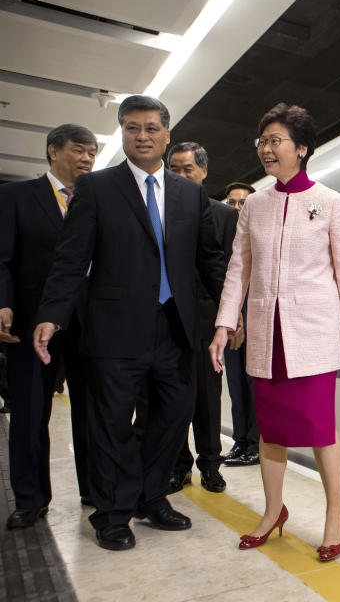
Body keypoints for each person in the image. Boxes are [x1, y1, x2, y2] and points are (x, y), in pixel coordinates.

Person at [32, 96, 225, 551]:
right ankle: (114, 513)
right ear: (121, 132)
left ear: (166, 134)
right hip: (114, 329)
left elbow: (210, 261)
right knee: (111, 424)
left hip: (174, 330)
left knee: (174, 417)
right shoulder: (97, 188)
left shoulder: (189, 193)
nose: (143, 136)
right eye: (133, 128)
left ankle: (150, 496)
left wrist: (232, 314)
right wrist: (51, 315)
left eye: (152, 128)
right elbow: (71, 259)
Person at [209, 103, 340, 560]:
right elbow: (239, 268)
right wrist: (224, 323)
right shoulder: (254, 205)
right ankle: (274, 510)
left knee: (320, 429)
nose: (267, 149)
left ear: (302, 148)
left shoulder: (331, 202)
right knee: (270, 431)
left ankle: (335, 514)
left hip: (314, 334)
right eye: (263, 142)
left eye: (276, 141)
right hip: (265, 334)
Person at [0, 124, 98, 528]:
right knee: (29, 411)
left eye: (92, 152)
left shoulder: (98, 199)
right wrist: (3, 303)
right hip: (30, 319)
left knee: (93, 411)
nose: (88, 159)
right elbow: (2, 259)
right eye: (79, 150)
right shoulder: (16, 196)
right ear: (53, 151)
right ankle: (30, 498)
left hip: (90, 322)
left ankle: (95, 488)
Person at [166, 142, 237, 493]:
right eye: (174, 169)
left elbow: (230, 272)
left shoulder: (224, 216)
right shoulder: (158, 211)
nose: (180, 176)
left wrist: (231, 319)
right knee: (170, 396)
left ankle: (211, 465)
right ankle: (178, 465)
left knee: (208, 398)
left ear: (204, 172)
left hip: (208, 320)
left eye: (187, 169)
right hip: (165, 320)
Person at [221, 181, 260, 467]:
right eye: (232, 202)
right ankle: (240, 441)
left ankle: (256, 444)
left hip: (257, 320)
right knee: (235, 385)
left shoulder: (261, 238)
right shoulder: (224, 240)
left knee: (253, 385)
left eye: (243, 202)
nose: (237, 208)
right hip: (231, 320)